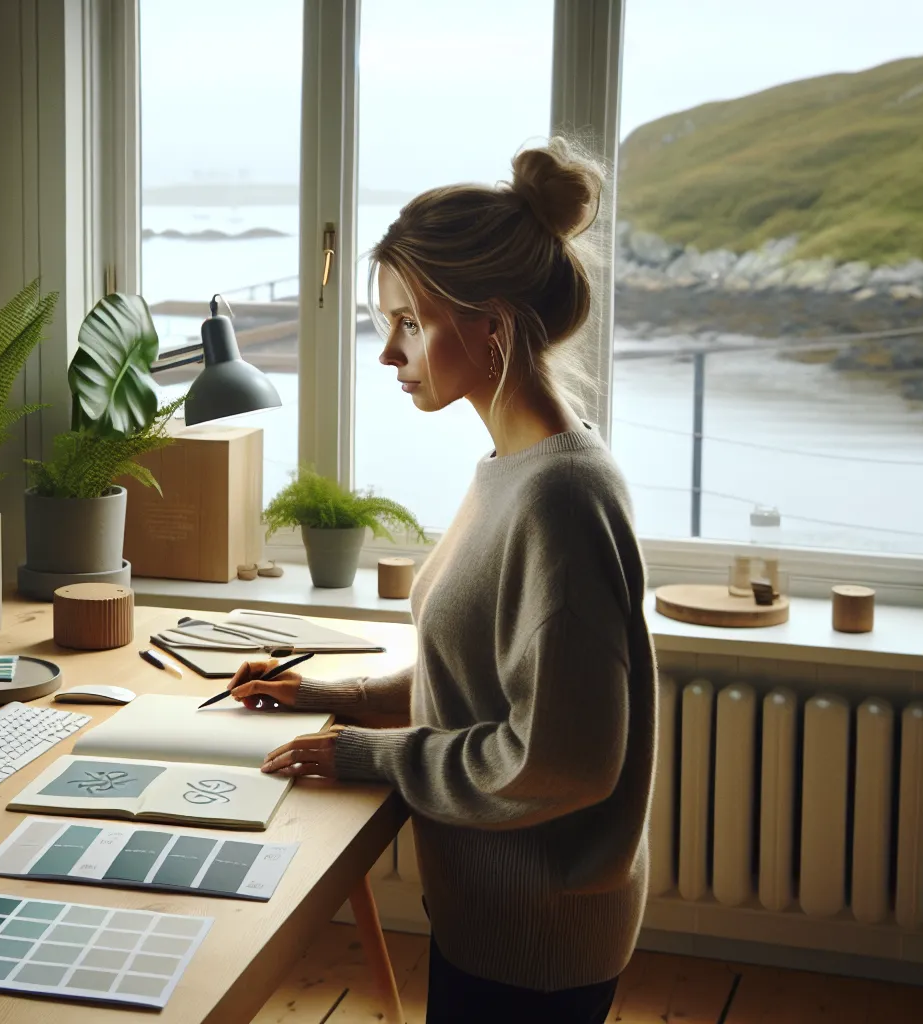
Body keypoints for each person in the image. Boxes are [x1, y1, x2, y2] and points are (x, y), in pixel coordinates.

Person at [227, 138, 656, 1023]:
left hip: (536, 939)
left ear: (491, 326)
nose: (389, 353)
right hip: (494, 913)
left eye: (408, 323)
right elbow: (478, 684)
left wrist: (366, 753)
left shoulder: (561, 496)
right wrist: (330, 694)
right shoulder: (512, 465)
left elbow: (559, 762)